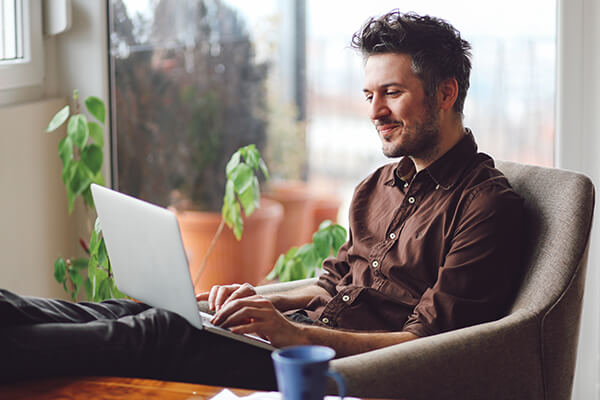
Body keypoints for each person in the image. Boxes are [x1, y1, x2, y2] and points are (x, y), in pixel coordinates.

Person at [0, 10, 524, 390]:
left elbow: (425, 343)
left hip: (331, 368)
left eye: (392, 92)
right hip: (298, 339)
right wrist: (254, 299)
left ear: (447, 92)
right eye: (369, 95)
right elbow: (332, 282)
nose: (374, 111)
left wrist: (291, 335)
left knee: (160, 332)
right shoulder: (377, 186)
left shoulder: (484, 206)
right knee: (128, 311)